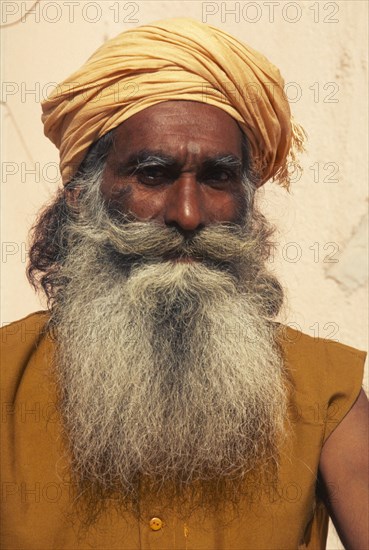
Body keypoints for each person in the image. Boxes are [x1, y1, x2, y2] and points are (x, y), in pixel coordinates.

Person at [1, 17, 368, 550]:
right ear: (84, 195)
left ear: (247, 202)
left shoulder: (325, 396)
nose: (189, 214)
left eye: (219, 177)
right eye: (152, 174)